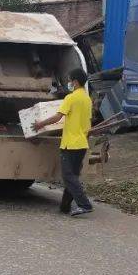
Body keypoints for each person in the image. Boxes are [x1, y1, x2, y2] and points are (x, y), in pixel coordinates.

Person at [33, 69, 94, 217]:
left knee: (68, 176)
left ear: (75, 82)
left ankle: (85, 204)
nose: (69, 82)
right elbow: (88, 121)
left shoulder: (71, 98)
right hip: (82, 143)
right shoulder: (87, 99)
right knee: (72, 175)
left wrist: (41, 124)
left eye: (70, 80)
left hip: (70, 144)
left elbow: (57, 117)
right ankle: (65, 206)